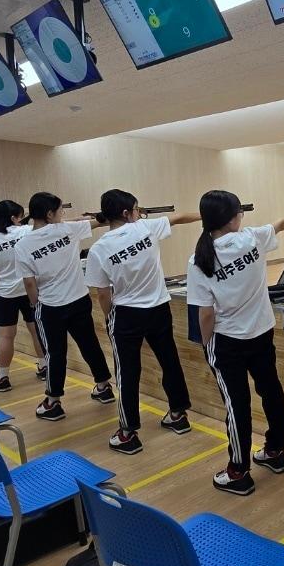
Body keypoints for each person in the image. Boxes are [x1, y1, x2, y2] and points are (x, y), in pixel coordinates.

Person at [187, 191, 284, 493]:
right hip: (262, 334)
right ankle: (275, 452)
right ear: (233, 218)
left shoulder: (199, 259)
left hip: (227, 342)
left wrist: (206, 344)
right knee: (271, 391)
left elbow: (205, 315)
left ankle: (238, 472)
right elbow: (282, 223)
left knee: (237, 406)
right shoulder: (252, 239)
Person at [84, 190, 199, 455]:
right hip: (159, 308)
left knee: (127, 372)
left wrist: (109, 316)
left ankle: (128, 433)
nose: (140, 213)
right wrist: (210, 215)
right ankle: (178, 415)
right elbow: (180, 217)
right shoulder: (146, 228)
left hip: (126, 314)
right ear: (126, 213)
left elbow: (103, 293)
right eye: (137, 209)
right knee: (169, 361)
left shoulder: (99, 248)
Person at [14, 193, 115, 421]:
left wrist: (34, 304)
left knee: (55, 353)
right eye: (61, 211)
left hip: (51, 306)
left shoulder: (23, 245)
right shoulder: (68, 230)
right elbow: (100, 221)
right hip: (79, 301)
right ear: (49, 214)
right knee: (89, 343)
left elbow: (29, 283)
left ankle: (53, 402)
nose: (63, 215)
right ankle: (103, 386)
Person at [0, 200, 47, 392]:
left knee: (6, 336)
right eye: (20, 216)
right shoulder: (25, 232)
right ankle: (44, 366)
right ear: (13, 218)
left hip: (4, 294)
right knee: (36, 330)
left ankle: (3, 377)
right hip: (28, 290)